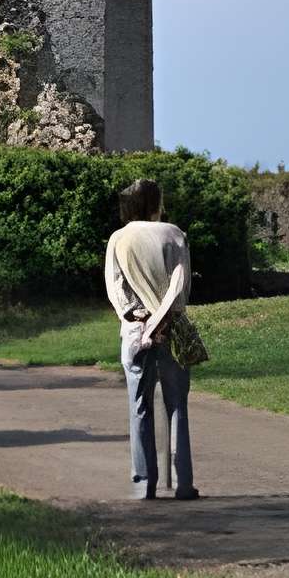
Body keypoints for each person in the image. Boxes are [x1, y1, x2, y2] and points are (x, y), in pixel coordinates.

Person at [102, 176, 197, 501]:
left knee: (139, 407)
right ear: (156, 203)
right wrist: (161, 319)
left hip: (135, 332)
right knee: (177, 407)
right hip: (171, 329)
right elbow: (180, 289)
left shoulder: (118, 238)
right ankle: (182, 482)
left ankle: (145, 484)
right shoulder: (175, 235)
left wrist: (140, 319)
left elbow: (116, 292)